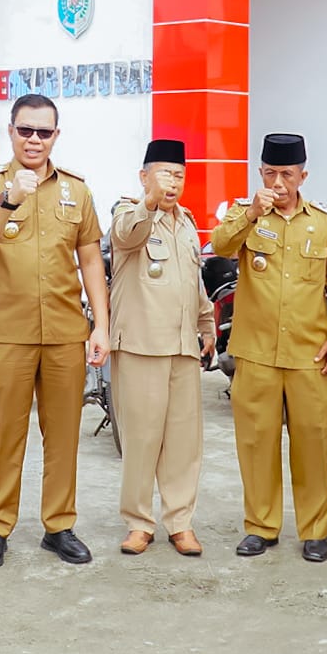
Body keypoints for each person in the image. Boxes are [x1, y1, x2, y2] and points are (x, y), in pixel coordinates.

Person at [0, 94, 110, 569]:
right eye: (25, 130)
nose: (33, 140)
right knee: (3, 433)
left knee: (64, 433)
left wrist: (101, 326)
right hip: (7, 333)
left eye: (43, 132)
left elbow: (90, 258)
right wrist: (12, 198)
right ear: (11, 131)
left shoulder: (77, 191)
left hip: (66, 331)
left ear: (55, 136)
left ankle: (59, 525)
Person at [211, 132, 327, 562]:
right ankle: (261, 526)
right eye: (270, 173)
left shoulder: (324, 224)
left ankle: (315, 530)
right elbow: (220, 246)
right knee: (256, 444)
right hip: (255, 353)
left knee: (314, 443)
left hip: (311, 354)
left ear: (302, 175)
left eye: (286, 174)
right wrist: (252, 213)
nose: (278, 182)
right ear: (260, 173)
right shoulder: (246, 215)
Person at [108, 139, 216, 557]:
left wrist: (206, 325)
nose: (174, 182)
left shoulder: (187, 223)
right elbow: (126, 235)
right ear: (144, 176)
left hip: (182, 347)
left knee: (184, 443)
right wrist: (149, 203)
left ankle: (180, 522)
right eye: (166, 173)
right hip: (141, 346)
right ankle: (138, 522)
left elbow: (195, 282)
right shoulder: (127, 214)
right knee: (141, 440)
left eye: (180, 175)